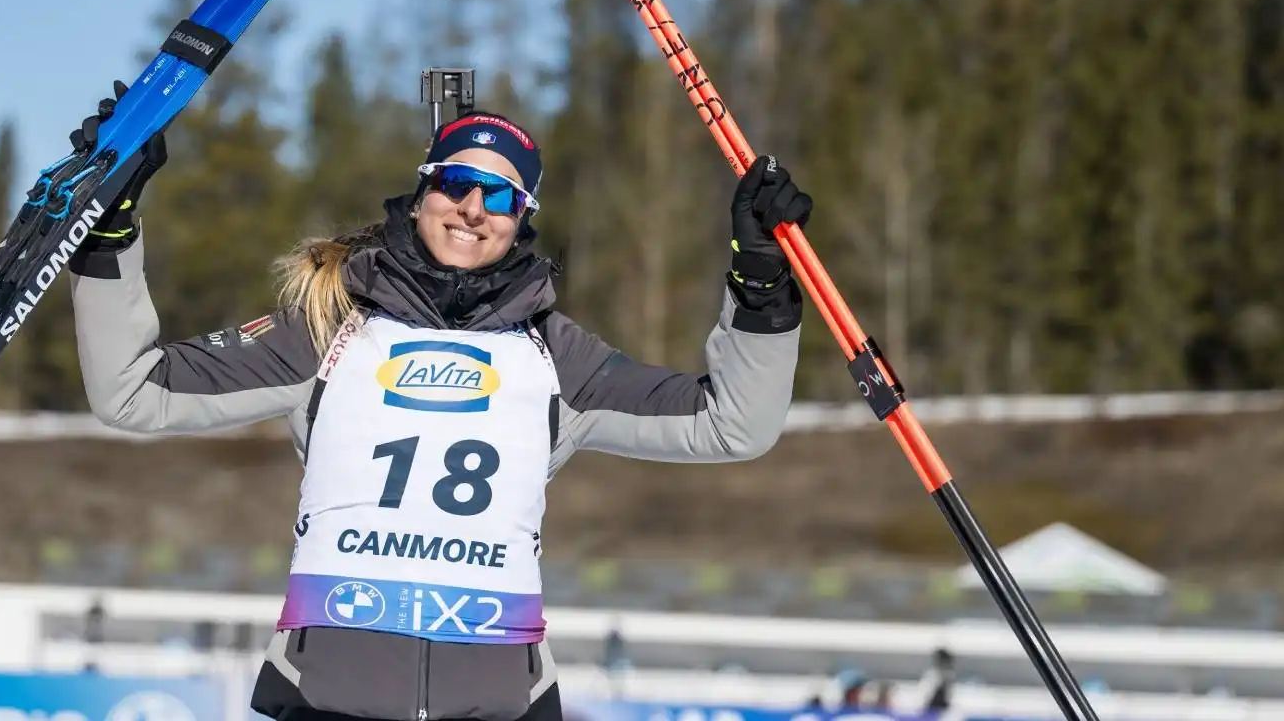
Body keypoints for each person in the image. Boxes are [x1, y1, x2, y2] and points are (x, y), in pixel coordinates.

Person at [69, 83, 811, 721]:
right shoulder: (327, 329)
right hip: (328, 701)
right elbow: (133, 393)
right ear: (422, 192)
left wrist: (763, 283)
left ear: (523, 218)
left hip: (499, 706)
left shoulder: (557, 355)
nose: (472, 208)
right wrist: (107, 232)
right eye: (456, 182)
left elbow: (732, 424)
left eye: (501, 195)